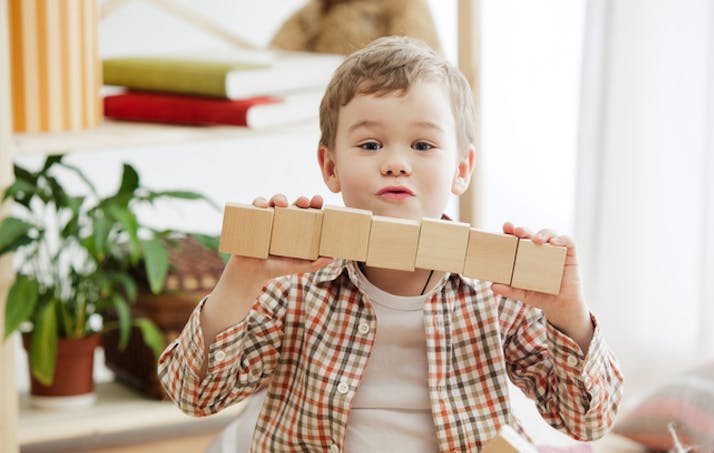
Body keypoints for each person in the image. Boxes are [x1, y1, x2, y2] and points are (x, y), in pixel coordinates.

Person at [158, 36, 623, 452]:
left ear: (461, 169)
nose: (396, 163)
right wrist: (241, 279)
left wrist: (571, 317)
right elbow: (195, 396)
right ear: (330, 166)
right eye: (370, 145)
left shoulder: (496, 292)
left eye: (422, 146)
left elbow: (587, 421)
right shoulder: (292, 287)